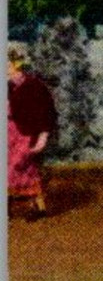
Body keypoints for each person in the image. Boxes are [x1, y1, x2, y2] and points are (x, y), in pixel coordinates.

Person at [8, 47, 55, 219]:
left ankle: (38, 207)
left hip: (25, 134)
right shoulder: (7, 86)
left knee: (25, 169)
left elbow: (47, 113)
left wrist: (43, 137)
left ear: (16, 65)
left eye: (8, 65)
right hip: (8, 134)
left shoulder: (34, 86)